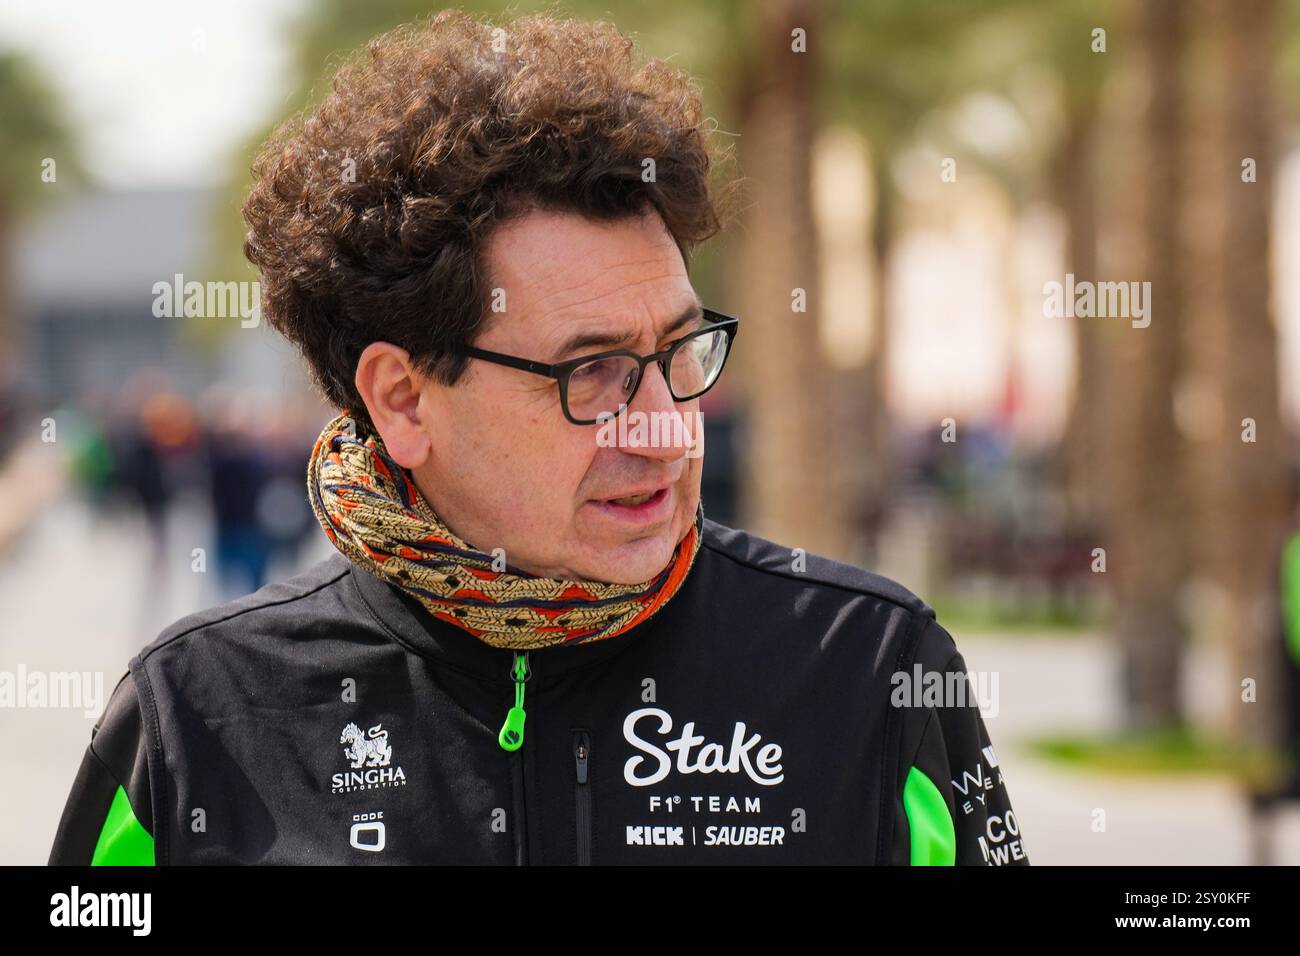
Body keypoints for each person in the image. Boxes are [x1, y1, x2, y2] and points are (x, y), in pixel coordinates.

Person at [48, 9, 1028, 866]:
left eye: (679, 349)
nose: (661, 425)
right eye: (589, 370)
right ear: (403, 398)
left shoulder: (866, 665)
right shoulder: (199, 715)